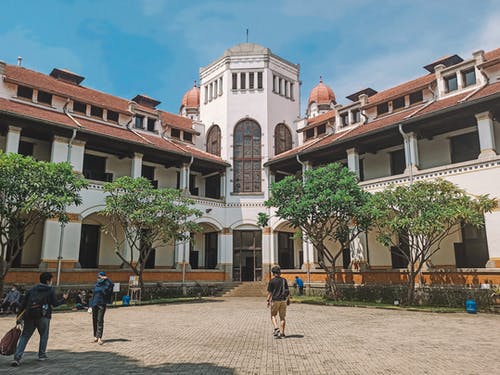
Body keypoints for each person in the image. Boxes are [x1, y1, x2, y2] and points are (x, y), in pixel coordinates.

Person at [12, 272, 68, 366]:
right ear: (47, 281)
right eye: (51, 280)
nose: (51, 282)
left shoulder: (32, 289)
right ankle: (41, 355)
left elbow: (23, 304)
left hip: (29, 315)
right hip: (43, 316)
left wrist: (18, 316)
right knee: (44, 335)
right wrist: (64, 299)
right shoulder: (50, 290)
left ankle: (17, 357)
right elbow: (55, 304)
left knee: (25, 336)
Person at [89, 271, 114, 345]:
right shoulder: (96, 285)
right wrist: (90, 306)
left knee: (100, 320)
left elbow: (111, 285)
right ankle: (95, 337)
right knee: (94, 320)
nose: (98, 278)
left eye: (100, 277)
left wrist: (107, 279)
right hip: (94, 304)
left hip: (101, 304)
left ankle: (99, 337)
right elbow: (92, 296)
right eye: (98, 277)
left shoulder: (106, 285)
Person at [266, 266, 290, 339]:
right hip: (283, 300)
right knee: (282, 317)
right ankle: (282, 333)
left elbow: (270, 292)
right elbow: (287, 291)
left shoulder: (272, 281)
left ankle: (276, 328)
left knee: (273, 315)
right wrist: (288, 299)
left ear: (273, 273)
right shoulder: (284, 280)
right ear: (279, 272)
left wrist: (268, 300)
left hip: (275, 300)